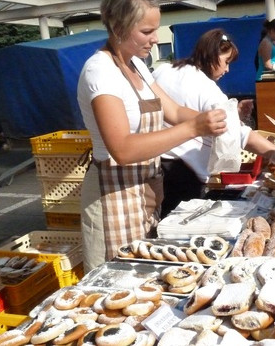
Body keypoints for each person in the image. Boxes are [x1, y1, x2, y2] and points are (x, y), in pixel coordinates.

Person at [77, 0, 227, 272]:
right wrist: (194, 129)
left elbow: (173, 110)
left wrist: (214, 119)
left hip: (145, 192)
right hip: (114, 198)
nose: (155, 39)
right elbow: (122, 149)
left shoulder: (138, 66)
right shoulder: (100, 71)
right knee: (118, 278)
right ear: (118, 26)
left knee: (146, 274)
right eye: (146, 31)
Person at [153, 28, 275, 218]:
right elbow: (240, 136)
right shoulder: (209, 90)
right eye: (226, 62)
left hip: (154, 168)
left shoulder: (163, 71)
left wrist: (234, 113)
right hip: (184, 176)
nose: (227, 69)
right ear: (212, 54)